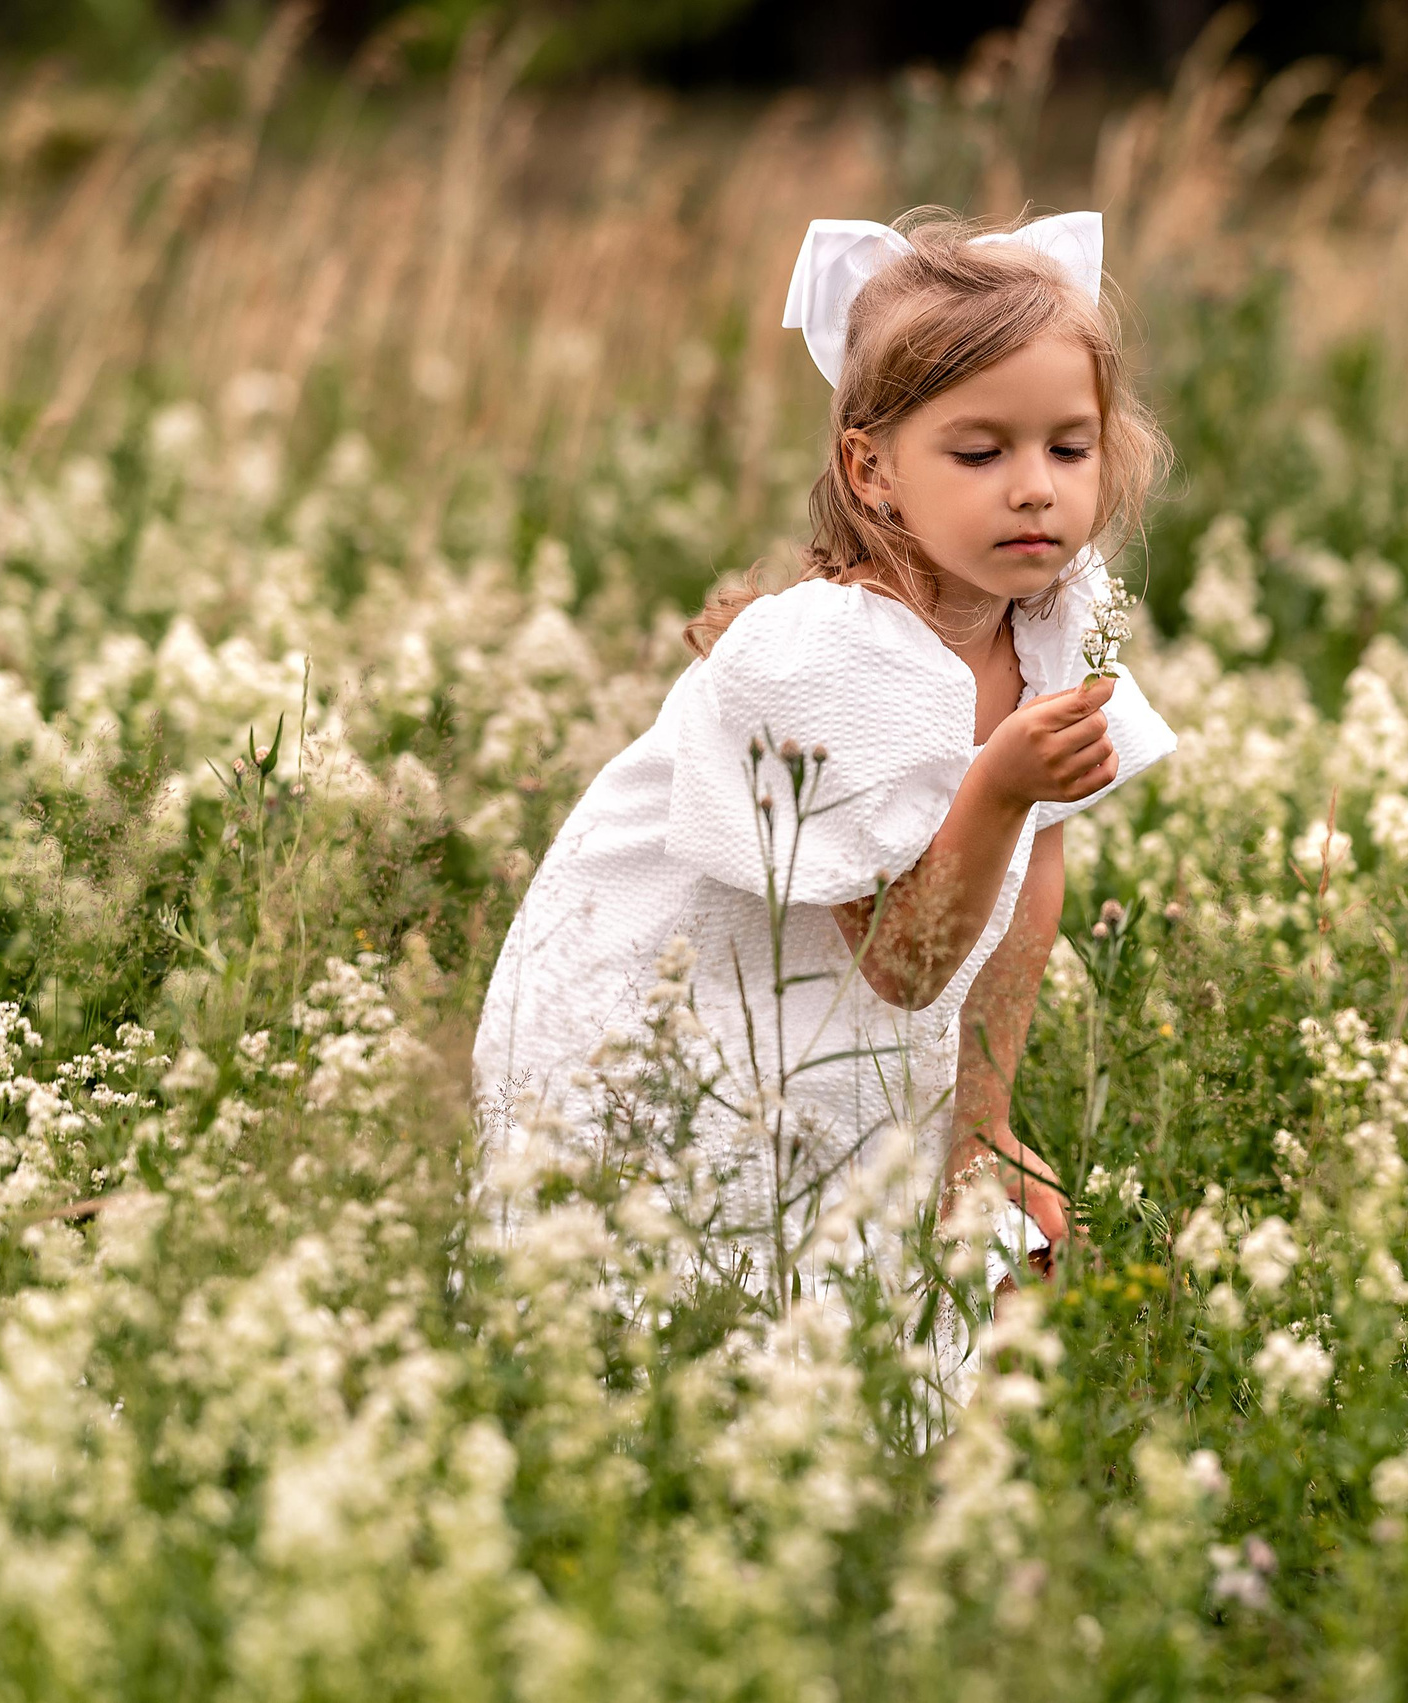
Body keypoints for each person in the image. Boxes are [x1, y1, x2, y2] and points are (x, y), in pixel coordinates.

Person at [471, 208, 1176, 1392]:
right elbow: (901, 958)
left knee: (923, 1280)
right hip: (676, 1028)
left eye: (1068, 447)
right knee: (696, 1313)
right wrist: (999, 782)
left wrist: (982, 1121)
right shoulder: (828, 658)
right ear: (870, 470)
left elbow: (1029, 870)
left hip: (836, 1027)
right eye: (979, 452)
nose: (1034, 490)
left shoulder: (1057, 613)